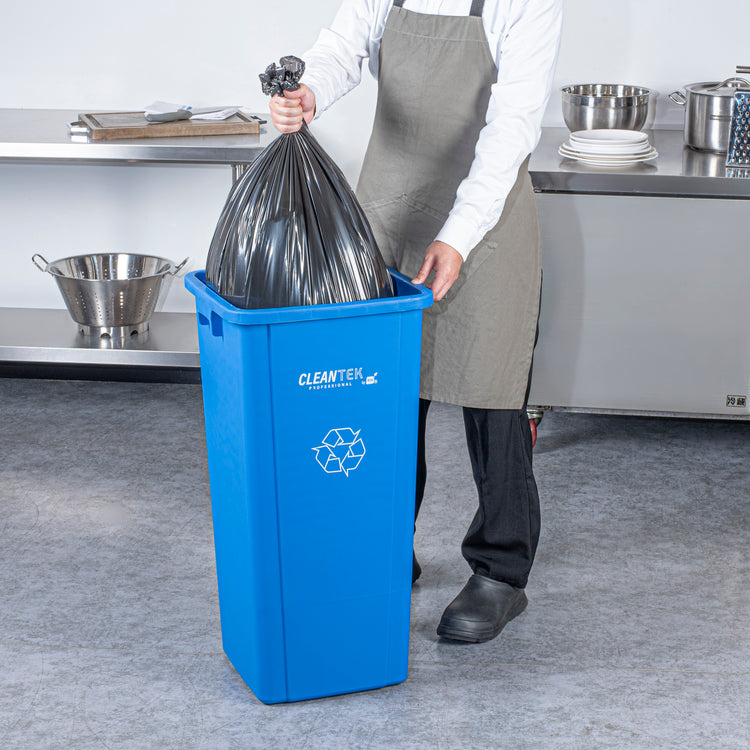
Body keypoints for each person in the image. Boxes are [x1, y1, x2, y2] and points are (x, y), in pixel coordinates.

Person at [269, 0, 563, 643]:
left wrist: (457, 234)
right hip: (391, 211)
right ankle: (382, 543)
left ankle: (500, 572)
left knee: (492, 393)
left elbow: (513, 125)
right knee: (381, 396)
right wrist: (309, 89)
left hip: (483, 223)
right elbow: (341, 46)